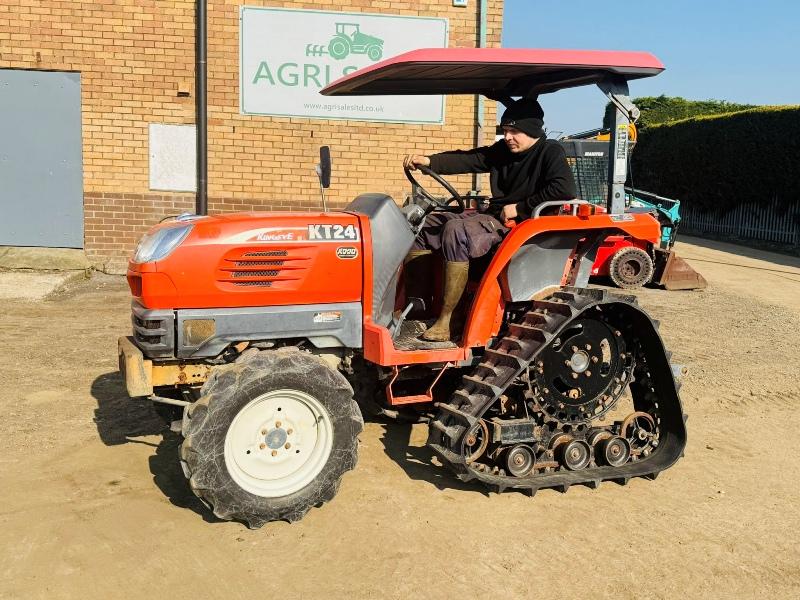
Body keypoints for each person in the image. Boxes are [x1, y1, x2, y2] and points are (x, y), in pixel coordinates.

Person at [403, 98, 577, 342]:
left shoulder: (550, 151)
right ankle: (417, 310)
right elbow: (470, 159)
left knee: (456, 230)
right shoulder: (503, 152)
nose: (507, 137)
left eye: (514, 131)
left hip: (522, 225)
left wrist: (519, 207)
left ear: (532, 130)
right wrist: (430, 161)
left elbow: (565, 189)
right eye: (505, 131)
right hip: (493, 216)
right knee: (424, 225)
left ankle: (450, 320)